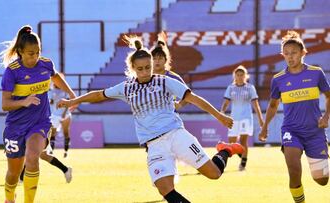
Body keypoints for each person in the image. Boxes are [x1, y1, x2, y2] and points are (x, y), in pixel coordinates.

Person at [57, 36, 244, 202]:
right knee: (165, 189)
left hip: (176, 135)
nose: (145, 72)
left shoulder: (164, 81)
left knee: (214, 174)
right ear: (132, 69)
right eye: (140, 69)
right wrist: (73, 100)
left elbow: (193, 98)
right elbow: (98, 95)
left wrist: (219, 116)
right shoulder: (126, 88)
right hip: (153, 145)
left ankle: (225, 150)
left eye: (148, 67)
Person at [0, 25, 76, 203]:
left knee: (33, 157)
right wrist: (24, 102)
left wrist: (72, 94)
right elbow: (5, 104)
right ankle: (9, 198)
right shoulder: (12, 71)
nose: (34, 57)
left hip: (40, 122)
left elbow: (55, 77)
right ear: (20, 51)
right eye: (30, 53)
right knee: (13, 173)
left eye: (37, 52)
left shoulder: (46, 64)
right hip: (16, 126)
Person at [258, 31, 329, 203]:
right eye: (286, 54)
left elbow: (329, 96)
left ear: (303, 53)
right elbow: (273, 105)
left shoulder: (316, 73)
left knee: (322, 180)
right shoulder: (278, 79)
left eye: (294, 53)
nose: (290, 57)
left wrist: (326, 116)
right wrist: (265, 126)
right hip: (291, 130)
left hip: (315, 131)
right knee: (294, 170)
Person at [220, 65, 264, 171]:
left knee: (244, 141)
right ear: (234, 76)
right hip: (234, 118)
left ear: (246, 76)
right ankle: (242, 155)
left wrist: (261, 119)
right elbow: (226, 102)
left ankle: (243, 164)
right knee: (231, 143)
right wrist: (221, 113)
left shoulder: (250, 88)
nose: (240, 77)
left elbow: (256, 104)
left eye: (242, 75)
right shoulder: (231, 88)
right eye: (237, 75)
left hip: (246, 118)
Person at [150, 32, 187, 110]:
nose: (157, 61)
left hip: (169, 117)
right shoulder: (146, 77)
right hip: (150, 118)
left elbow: (187, 96)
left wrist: (179, 105)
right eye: (154, 58)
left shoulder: (174, 77)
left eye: (160, 58)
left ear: (165, 60)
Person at [48, 73, 72, 158]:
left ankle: (66, 151)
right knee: (52, 134)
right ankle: (51, 152)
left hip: (65, 115)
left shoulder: (65, 91)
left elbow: (68, 103)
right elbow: (50, 102)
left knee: (66, 133)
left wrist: (64, 113)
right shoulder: (51, 90)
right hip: (55, 115)